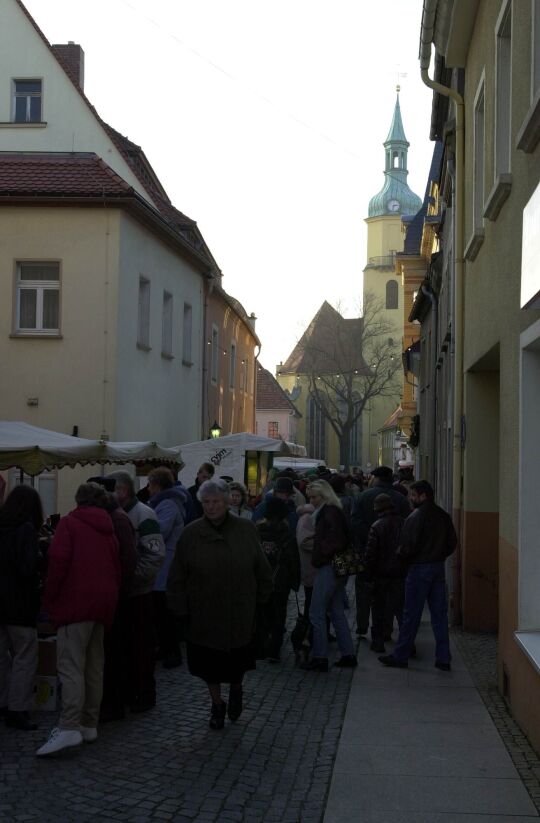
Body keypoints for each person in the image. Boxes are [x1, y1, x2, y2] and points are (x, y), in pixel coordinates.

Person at [167, 479, 273, 730]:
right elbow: (178, 574)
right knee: (208, 667)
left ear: (226, 503)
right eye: (206, 502)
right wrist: (179, 607)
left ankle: (236, 690)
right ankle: (217, 704)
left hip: (240, 610)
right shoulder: (191, 533)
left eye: (216, 502)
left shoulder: (246, 529)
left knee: (237, 664)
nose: (211, 507)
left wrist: (262, 600)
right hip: (204, 612)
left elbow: (262, 568)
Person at [36, 483, 121, 756]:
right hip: (103, 603)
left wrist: (50, 600)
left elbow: (58, 562)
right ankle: (88, 723)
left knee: (71, 666)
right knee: (94, 666)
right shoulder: (109, 527)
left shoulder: (70, 524)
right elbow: (117, 566)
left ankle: (69, 726)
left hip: (75, 602)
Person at [379, 480, 458, 671]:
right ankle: (443, 658)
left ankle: (401, 655)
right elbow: (452, 543)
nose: (411, 499)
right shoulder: (443, 516)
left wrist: (403, 559)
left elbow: (407, 546)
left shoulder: (416, 516)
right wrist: (438, 556)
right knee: (439, 616)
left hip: (419, 569)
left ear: (423, 495)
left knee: (411, 615)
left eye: (413, 495)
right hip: (437, 568)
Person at [110, 471, 165, 714]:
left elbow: (155, 554)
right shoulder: (116, 514)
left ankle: (144, 694)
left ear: (123, 491)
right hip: (122, 593)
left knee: (141, 647)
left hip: (139, 593)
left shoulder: (144, 514)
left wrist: (133, 579)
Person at [301, 479, 356, 672]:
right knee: (336, 611)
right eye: (310, 498)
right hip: (337, 567)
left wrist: (319, 555)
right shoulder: (333, 509)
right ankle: (348, 654)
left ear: (324, 496)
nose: (312, 501)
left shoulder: (329, 511)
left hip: (330, 567)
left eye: (315, 497)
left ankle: (320, 657)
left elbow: (337, 540)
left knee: (316, 612)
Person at [0, 485, 43, 731]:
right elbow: (27, 569)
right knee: (24, 657)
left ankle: (3, 702)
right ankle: (17, 709)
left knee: (1, 658)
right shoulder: (26, 531)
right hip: (19, 605)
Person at [351, 466, 411, 640]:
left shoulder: (362, 497)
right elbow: (406, 526)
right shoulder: (400, 499)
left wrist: (369, 536)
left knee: (363, 593)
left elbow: (354, 523)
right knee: (389, 598)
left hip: (365, 552)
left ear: (375, 478)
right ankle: (386, 630)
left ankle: (362, 627)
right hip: (392, 557)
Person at [148, 467, 186, 669]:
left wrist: (143, 534)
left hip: (166, 564)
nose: (148, 488)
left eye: (151, 484)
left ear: (158, 485)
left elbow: (160, 532)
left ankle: (172, 651)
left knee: (165, 612)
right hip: (163, 564)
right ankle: (165, 648)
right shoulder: (164, 503)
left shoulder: (168, 505)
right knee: (160, 611)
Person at [255, 497, 300, 661]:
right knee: (278, 617)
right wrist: (295, 581)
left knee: (261, 615)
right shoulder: (287, 534)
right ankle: (274, 650)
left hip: (260, 580)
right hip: (280, 581)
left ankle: (260, 647)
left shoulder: (257, 531)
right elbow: (292, 559)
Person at [364, 494, 406, 654]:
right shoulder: (403, 523)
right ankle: (407, 642)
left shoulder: (377, 525)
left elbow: (370, 554)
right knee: (401, 609)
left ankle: (378, 641)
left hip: (380, 573)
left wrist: (368, 575)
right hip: (399, 572)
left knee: (378, 609)